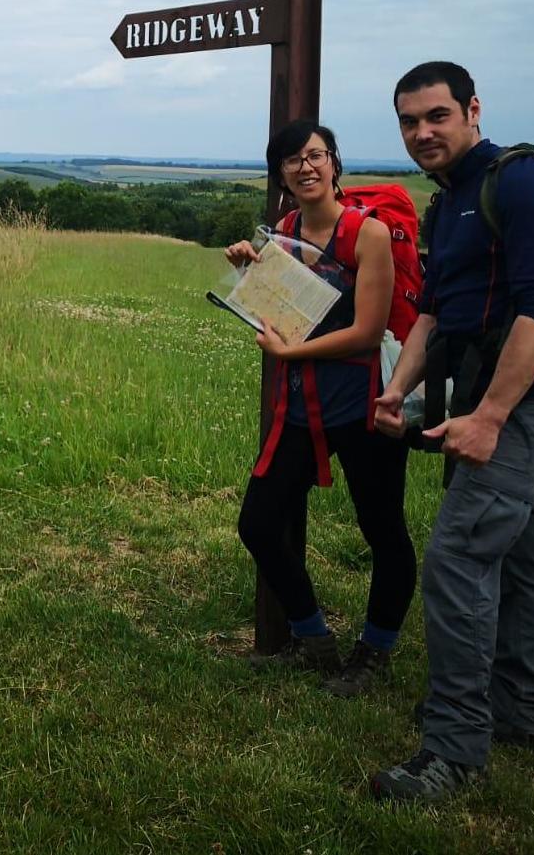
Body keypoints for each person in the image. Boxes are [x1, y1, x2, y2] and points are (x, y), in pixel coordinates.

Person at [370, 62, 534, 802]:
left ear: (471, 110)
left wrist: (490, 417)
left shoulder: (518, 184)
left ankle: (453, 750)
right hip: (476, 399)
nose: (421, 132)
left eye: (435, 115)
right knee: (518, 555)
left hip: (520, 405)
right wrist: (397, 391)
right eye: (407, 121)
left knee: (458, 558)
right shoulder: (451, 199)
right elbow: (433, 311)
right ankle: (521, 709)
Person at [225, 119, 416, 697]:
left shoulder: (368, 234)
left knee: (382, 529)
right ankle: (313, 639)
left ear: (334, 163)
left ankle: (374, 654)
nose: (305, 167)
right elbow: (288, 308)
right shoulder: (282, 231)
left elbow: (366, 332)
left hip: (362, 405)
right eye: (292, 160)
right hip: (302, 404)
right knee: (258, 523)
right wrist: (248, 274)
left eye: (315, 155)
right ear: (279, 173)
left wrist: (293, 350)